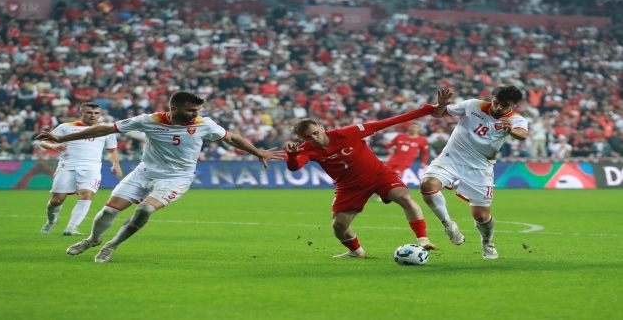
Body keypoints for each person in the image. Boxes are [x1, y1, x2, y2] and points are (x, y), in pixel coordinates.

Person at [36, 91, 284, 262]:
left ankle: (111, 246)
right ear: (173, 109)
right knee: (109, 211)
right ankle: (93, 240)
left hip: (176, 178)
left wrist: (257, 151)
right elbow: (105, 128)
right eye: (190, 110)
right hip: (144, 172)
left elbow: (231, 137)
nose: (194, 114)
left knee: (144, 210)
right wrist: (60, 138)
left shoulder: (204, 123)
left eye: (197, 110)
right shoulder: (149, 120)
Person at [284, 89, 453, 259]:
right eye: (308, 137)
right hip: (349, 186)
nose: (314, 138)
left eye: (316, 133)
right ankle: (356, 252)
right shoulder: (306, 149)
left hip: (378, 176)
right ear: (301, 138)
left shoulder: (346, 133)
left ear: (321, 128)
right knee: (339, 226)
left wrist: (430, 109)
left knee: (405, 198)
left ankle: (422, 238)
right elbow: (295, 167)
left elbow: (389, 121)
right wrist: (292, 156)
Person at [419, 85, 528, 260]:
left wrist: (510, 131)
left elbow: (522, 134)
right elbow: (438, 113)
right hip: (451, 159)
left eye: (505, 105)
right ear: (492, 98)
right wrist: (441, 104)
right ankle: (448, 225)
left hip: (480, 167)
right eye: (496, 102)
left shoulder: (516, 120)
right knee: (427, 185)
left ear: (514, 105)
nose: (498, 107)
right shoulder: (473, 105)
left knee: (481, 216)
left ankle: (488, 242)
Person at [39, 102, 122, 236]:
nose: (93, 115)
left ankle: (72, 227)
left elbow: (112, 151)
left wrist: (115, 164)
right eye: (89, 112)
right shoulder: (66, 127)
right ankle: (51, 222)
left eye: (96, 113)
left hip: (92, 167)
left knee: (86, 195)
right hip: (67, 165)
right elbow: (43, 141)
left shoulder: (106, 130)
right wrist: (53, 147)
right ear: (80, 113)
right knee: (56, 200)